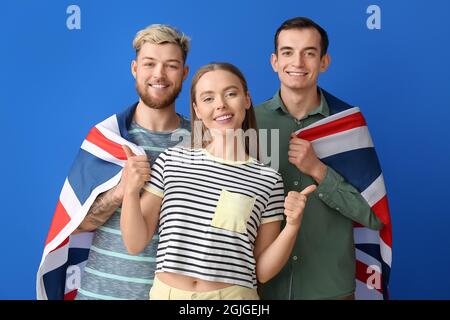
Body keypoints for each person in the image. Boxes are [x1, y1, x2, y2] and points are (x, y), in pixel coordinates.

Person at [120, 62, 316, 300]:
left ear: (246, 99)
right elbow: (135, 243)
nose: (221, 104)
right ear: (197, 109)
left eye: (230, 94)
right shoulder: (171, 161)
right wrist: (130, 192)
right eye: (208, 98)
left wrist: (293, 225)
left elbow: (263, 272)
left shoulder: (268, 180)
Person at [37, 24, 191, 300]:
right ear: (135, 69)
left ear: (184, 73)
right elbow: (77, 224)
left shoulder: (202, 143)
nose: (159, 74)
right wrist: (121, 191)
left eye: (171, 65)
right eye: (149, 64)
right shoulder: (107, 138)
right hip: (100, 293)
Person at [255, 17, 387, 300]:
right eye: (288, 52)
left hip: (329, 287)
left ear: (324, 62)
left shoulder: (348, 123)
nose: (298, 63)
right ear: (274, 61)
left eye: (309, 53)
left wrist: (318, 170)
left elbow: (374, 215)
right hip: (264, 287)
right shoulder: (249, 123)